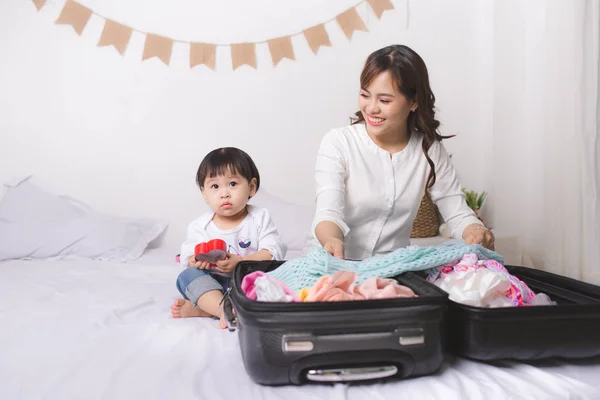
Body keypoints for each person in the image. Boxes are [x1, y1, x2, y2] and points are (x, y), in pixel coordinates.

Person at [313, 44, 495, 260]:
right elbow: (328, 212)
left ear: (413, 102)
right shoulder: (339, 142)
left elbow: (457, 213)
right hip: (332, 264)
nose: (371, 108)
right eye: (365, 95)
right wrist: (332, 241)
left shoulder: (429, 150)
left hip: (391, 270)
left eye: (384, 100)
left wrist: (475, 231)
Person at [171, 147, 287, 328]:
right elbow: (187, 257)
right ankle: (221, 308)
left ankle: (206, 310)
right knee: (187, 276)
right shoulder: (200, 225)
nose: (224, 193)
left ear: (251, 187)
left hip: (247, 282)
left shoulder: (259, 217)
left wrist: (242, 261)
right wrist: (196, 261)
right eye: (215, 186)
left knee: (277, 281)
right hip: (214, 285)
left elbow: (273, 252)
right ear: (204, 193)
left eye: (232, 184)